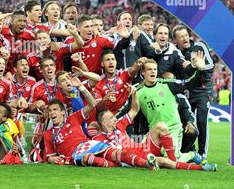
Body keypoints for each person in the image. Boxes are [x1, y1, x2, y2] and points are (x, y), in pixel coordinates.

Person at [90, 89, 217, 171]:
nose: (115, 119)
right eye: (111, 118)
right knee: (163, 161)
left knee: (160, 126)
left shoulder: (120, 124)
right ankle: (201, 167)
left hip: (144, 146)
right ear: (103, 122)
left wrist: (134, 94)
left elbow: (134, 110)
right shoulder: (99, 140)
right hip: (137, 158)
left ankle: (174, 160)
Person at [136, 55, 207, 163]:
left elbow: (189, 82)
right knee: (137, 156)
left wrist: (200, 69)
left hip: (173, 129)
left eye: (154, 69)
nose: (152, 72)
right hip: (154, 131)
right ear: (143, 72)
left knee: (170, 160)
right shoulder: (138, 92)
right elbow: (127, 109)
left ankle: (192, 154)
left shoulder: (167, 85)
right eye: (149, 69)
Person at [173, 24, 214, 160]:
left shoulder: (199, 46)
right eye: (180, 37)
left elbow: (210, 65)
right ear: (176, 40)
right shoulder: (177, 53)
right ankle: (189, 150)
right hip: (186, 93)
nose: (184, 38)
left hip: (202, 91)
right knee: (186, 123)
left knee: (202, 122)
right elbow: (184, 71)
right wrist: (193, 66)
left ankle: (202, 154)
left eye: (185, 35)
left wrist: (199, 65)